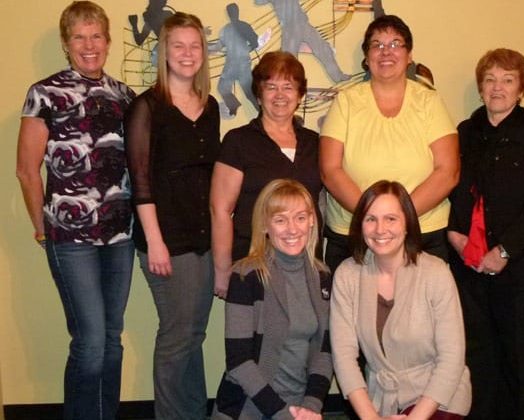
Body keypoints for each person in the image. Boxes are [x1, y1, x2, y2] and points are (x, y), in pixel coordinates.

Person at [15, 1, 135, 418]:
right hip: (70, 240)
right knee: (90, 342)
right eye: (79, 37)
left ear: (107, 41)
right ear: (67, 45)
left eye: (96, 36)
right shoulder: (43, 93)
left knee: (113, 339)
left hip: (120, 237)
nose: (89, 45)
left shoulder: (124, 94)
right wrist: (41, 228)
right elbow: (26, 171)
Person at [447, 48, 524, 420]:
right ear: (481, 88)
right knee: (479, 357)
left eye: (508, 79)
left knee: (518, 361)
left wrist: (505, 250)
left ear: (521, 89)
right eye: (490, 79)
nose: (497, 87)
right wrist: (455, 233)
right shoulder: (464, 134)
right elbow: (451, 187)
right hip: (470, 268)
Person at [125, 12, 220, 420]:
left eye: (194, 45)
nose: (186, 53)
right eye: (177, 45)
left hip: (202, 236)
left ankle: (194, 412)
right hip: (166, 240)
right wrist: (156, 241)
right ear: (164, 52)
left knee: (192, 336)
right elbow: (140, 181)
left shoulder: (210, 106)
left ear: (203, 52)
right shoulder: (146, 107)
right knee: (177, 337)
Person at [320, 15, 459, 273]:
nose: (386, 52)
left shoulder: (430, 101)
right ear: (367, 56)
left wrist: (397, 219)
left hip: (422, 234)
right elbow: (330, 170)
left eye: (395, 44)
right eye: (377, 45)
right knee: (354, 313)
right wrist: (373, 220)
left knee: (419, 313)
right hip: (353, 236)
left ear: (409, 56)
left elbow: (448, 171)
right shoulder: (346, 102)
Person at [330, 180, 471, 420]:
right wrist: (371, 418)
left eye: (391, 219)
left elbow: (452, 358)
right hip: (380, 402)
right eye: (370, 219)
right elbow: (343, 356)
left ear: (407, 224)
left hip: (438, 398)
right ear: (360, 225)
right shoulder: (347, 274)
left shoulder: (435, 272)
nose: (380, 229)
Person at [212, 178, 332, 420]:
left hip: (300, 409)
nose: (292, 229)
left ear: (311, 221)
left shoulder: (323, 276)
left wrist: (310, 407)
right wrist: (281, 413)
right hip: (248, 407)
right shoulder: (245, 275)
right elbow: (239, 361)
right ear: (265, 225)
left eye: (300, 217)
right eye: (280, 219)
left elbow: (324, 351)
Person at [211, 51, 322, 298]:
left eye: (288, 87)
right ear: (259, 95)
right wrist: (222, 270)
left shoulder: (315, 143)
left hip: (306, 264)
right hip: (253, 264)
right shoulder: (238, 141)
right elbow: (220, 209)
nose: (280, 95)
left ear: (300, 95)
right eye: (271, 87)